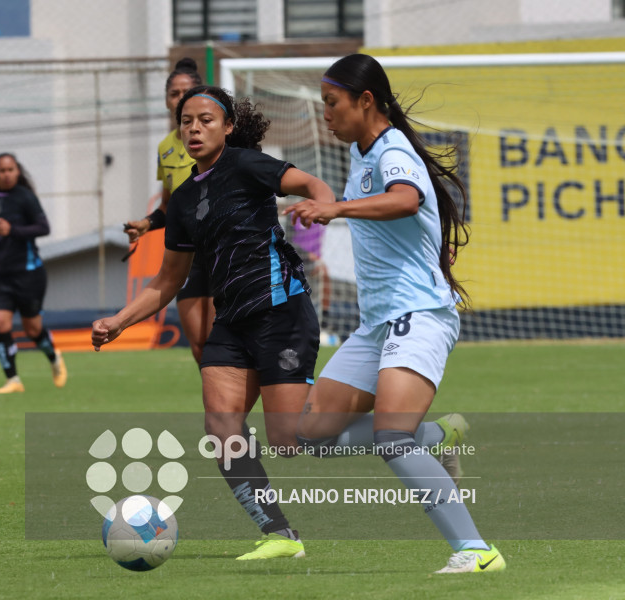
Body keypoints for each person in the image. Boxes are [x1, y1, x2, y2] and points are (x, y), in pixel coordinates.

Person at [93, 85, 335, 559]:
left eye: (205, 119)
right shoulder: (182, 201)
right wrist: (120, 320)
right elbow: (167, 282)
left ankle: (415, 438)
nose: (194, 128)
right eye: (187, 121)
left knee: (290, 440)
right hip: (231, 322)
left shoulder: (247, 165)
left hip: (280, 311)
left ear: (227, 127)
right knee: (222, 429)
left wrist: (323, 204)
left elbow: (309, 184)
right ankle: (280, 536)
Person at [285, 54, 505, 574]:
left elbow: (406, 200)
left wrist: (335, 208)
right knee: (310, 435)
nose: (326, 115)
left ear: (366, 102)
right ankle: (439, 435)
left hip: (420, 314)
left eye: (332, 104)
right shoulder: (363, 154)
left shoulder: (391, 150)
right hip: (376, 324)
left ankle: (476, 552)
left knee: (390, 437)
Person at [123, 58, 215, 364]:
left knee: (221, 342)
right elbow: (168, 205)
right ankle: (221, 411)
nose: (179, 99)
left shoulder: (216, 141)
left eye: (186, 92)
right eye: (174, 93)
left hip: (220, 251)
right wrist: (145, 224)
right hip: (185, 256)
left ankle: (234, 408)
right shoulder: (165, 147)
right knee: (199, 345)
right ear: (166, 100)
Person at [0, 153, 67, 394]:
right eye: (2, 171)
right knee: (0, 323)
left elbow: (43, 227)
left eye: (10, 170)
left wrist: (12, 229)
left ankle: (54, 357)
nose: (6, 175)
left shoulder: (26, 198)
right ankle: (13, 379)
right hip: (0, 275)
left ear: (17, 172)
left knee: (32, 330)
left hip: (29, 274)